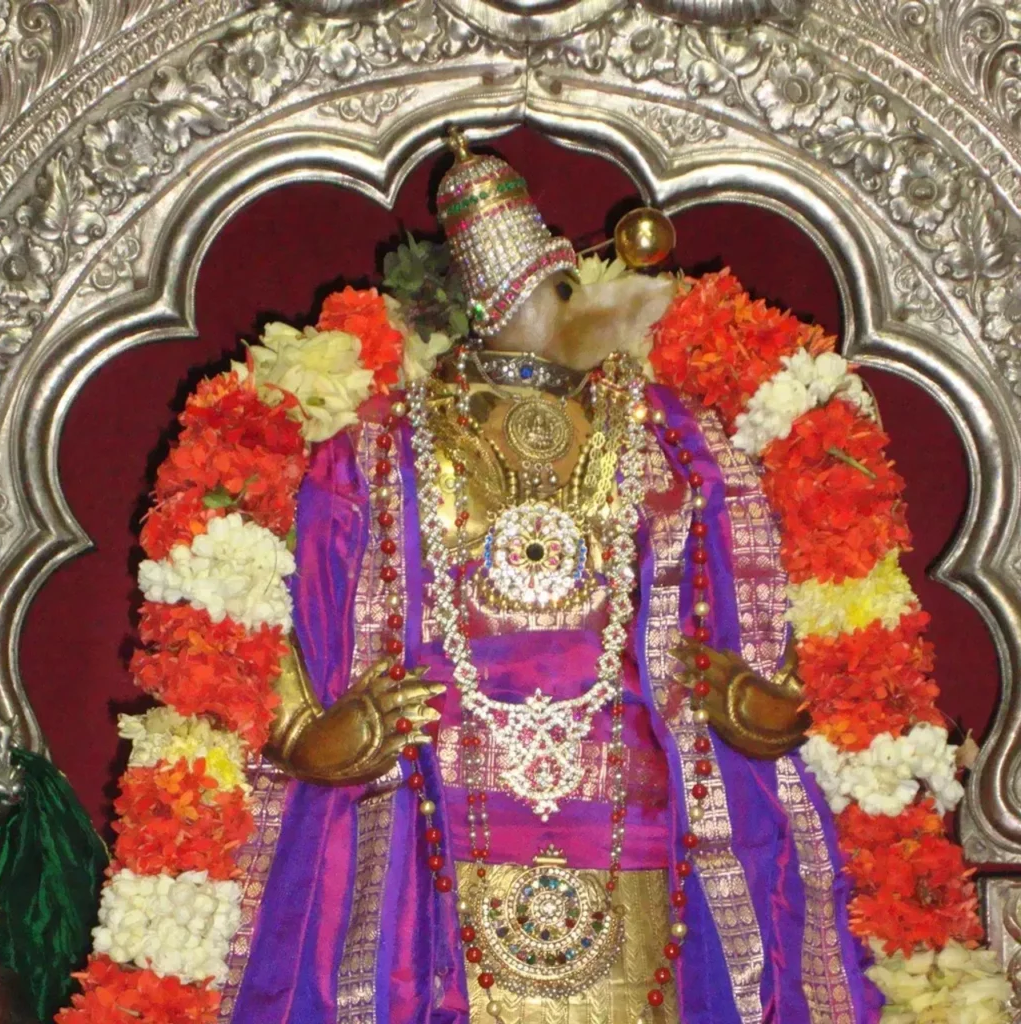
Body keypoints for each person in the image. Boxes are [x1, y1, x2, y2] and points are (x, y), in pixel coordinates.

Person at [212, 132, 882, 1023]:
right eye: (568, 290)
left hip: (633, 806)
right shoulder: (373, 442)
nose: (596, 310)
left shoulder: (673, 434)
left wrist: (776, 704)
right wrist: (299, 733)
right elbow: (261, 606)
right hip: (430, 809)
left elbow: (765, 584)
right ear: (517, 292)